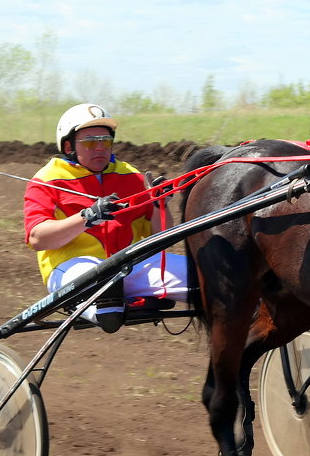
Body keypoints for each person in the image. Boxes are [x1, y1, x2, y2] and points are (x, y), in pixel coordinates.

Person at [23, 103, 188, 331]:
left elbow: (159, 236)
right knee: (102, 282)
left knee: (207, 273)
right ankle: (104, 305)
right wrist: (87, 217)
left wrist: (160, 204)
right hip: (71, 268)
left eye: (105, 141)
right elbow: (37, 238)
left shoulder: (131, 176)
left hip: (127, 264)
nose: (100, 147)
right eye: (90, 142)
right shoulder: (46, 180)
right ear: (69, 145)